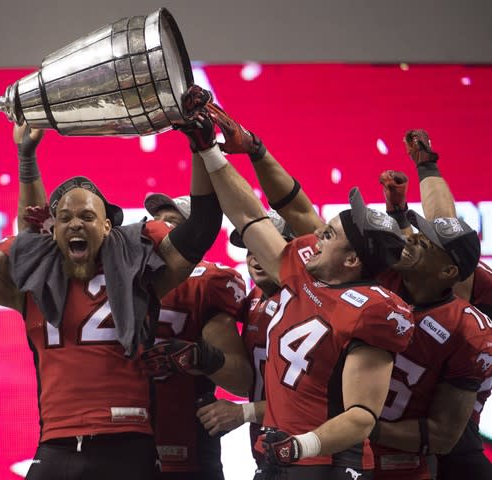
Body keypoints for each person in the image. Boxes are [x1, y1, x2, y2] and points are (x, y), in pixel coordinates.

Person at [0, 86, 225, 480]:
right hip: (58, 445)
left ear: (109, 226)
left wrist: (201, 145)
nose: (75, 223)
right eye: (64, 218)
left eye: (86, 216)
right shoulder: (29, 282)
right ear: (53, 231)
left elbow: (201, 226)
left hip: (128, 442)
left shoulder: (139, 272)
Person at [178, 86, 415, 480]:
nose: (317, 237)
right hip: (279, 456)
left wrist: (302, 444)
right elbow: (249, 218)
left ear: (353, 259)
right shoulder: (305, 268)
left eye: (330, 234)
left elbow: (360, 417)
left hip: (327, 463)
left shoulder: (373, 310)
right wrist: (208, 150)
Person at [375, 130, 492, 479]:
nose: (417, 242)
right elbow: (443, 224)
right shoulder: (428, 266)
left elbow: (444, 228)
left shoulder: (471, 310)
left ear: (451, 271)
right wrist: (425, 169)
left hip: (447, 425)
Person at [142, 192, 251, 480]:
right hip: (120, 440)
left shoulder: (207, 283)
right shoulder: (122, 277)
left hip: (183, 442)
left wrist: (199, 356)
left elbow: (241, 380)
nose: (159, 229)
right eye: (156, 221)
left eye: (171, 222)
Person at [196, 211, 293, 468]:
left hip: (311, 456)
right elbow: (245, 382)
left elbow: (315, 399)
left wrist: (243, 412)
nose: (254, 257)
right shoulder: (253, 299)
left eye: (264, 248)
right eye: (249, 249)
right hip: (268, 456)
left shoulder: (311, 305)